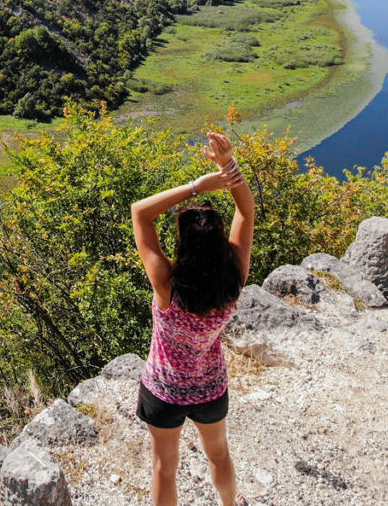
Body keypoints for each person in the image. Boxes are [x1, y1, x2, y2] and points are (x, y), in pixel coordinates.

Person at [130, 131, 255, 506]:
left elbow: (140, 212)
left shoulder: (167, 285)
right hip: (210, 388)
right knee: (219, 455)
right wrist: (228, 167)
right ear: (221, 244)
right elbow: (246, 212)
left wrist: (196, 187)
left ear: (182, 245)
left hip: (163, 390)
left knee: (164, 468)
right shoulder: (234, 277)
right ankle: (231, 504)